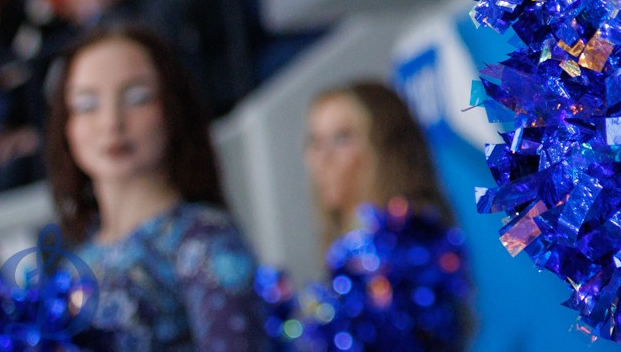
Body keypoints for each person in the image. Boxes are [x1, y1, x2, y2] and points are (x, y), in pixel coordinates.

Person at [47, 25, 267, 349]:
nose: (111, 122)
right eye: (87, 104)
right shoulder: (77, 263)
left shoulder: (203, 240)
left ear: (173, 108)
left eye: (137, 98)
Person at [302, 81, 456, 253]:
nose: (322, 158)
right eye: (315, 142)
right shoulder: (342, 252)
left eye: (341, 138)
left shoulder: (418, 248)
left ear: (385, 149)